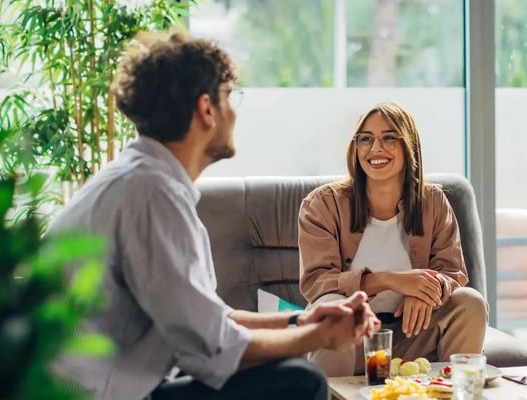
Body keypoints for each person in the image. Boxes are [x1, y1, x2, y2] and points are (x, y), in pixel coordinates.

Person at [47, 30, 379, 400]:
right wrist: (317, 338)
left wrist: (301, 319)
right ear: (206, 109)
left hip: (113, 385)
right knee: (299, 381)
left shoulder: (141, 180)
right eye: (229, 96)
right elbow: (210, 348)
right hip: (99, 394)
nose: (235, 112)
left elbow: (208, 320)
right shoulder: (153, 195)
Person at [298, 101, 488, 377]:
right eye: (366, 139)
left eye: (389, 138)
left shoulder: (433, 201)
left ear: (409, 146)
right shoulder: (322, 204)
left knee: (469, 302)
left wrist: (426, 292)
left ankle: (454, 390)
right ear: (355, 148)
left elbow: (453, 271)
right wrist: (393, 280)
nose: (376, 149)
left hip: (415, 332)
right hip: (351, 338)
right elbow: (316, 282)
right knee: (331, 309)